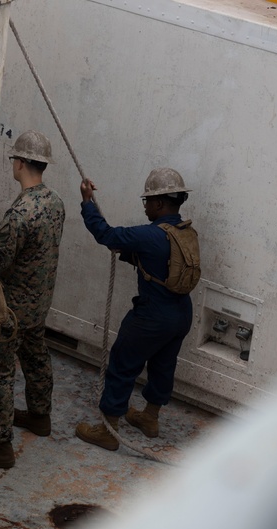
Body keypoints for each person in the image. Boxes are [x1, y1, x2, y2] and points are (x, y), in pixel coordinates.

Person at [75, 168, 195, 449]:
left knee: (122, 363)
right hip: (181, 315)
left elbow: (105, 234)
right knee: (163, 365)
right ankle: (150, 418)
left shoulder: (150, 235)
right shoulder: (186, 233)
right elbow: (160, 262)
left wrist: (87, 202)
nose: (145, 206)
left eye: (147, 201)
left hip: (152, 316)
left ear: (160, 203)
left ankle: (108, 430)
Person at [0, 130, 66, 468]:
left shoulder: (19, 214)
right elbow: (35, 248)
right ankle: (40, 416)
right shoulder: (55, 202)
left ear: (20, 163)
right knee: (36, 357)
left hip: (12, 309)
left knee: (0, 373)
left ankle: (1, 447)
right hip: (39, 302)